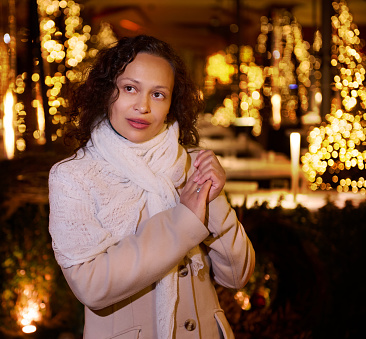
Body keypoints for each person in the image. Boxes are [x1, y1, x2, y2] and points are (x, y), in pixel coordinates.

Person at [48, 35, 255, 339]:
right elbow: (90, 286)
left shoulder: (190, 164)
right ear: (107, 93)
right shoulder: (74, 176)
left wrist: (212, 200)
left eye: (158, 94)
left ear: (172, 103)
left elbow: (236, 276)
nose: (142, 106)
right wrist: (184, 218)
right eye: (130, 89)